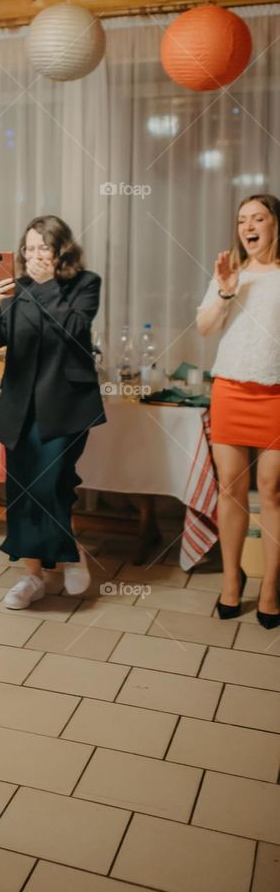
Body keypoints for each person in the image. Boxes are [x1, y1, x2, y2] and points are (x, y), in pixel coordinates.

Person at [0, 215, 105, 610]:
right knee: (21, 490)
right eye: (28, 248)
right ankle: (32, 575)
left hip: (66, 405)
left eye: (43, 248)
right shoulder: (18, 290)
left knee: (50, 485)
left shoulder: (85, 284)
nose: (33, 256)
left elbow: (75, 329)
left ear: (60, 250)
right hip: (20, 407)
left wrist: (48, 285)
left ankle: (66, 551)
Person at [197, 193, 280, 629]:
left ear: (274, 224)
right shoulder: (231, 272)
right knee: (230, 487)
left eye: (259, 218)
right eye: (243, 219)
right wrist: (226, 291)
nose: (249, 226)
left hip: (277, 395)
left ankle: (270, 587)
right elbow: (206, 327)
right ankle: (233, 580)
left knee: (271, 491)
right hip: (230, 388)